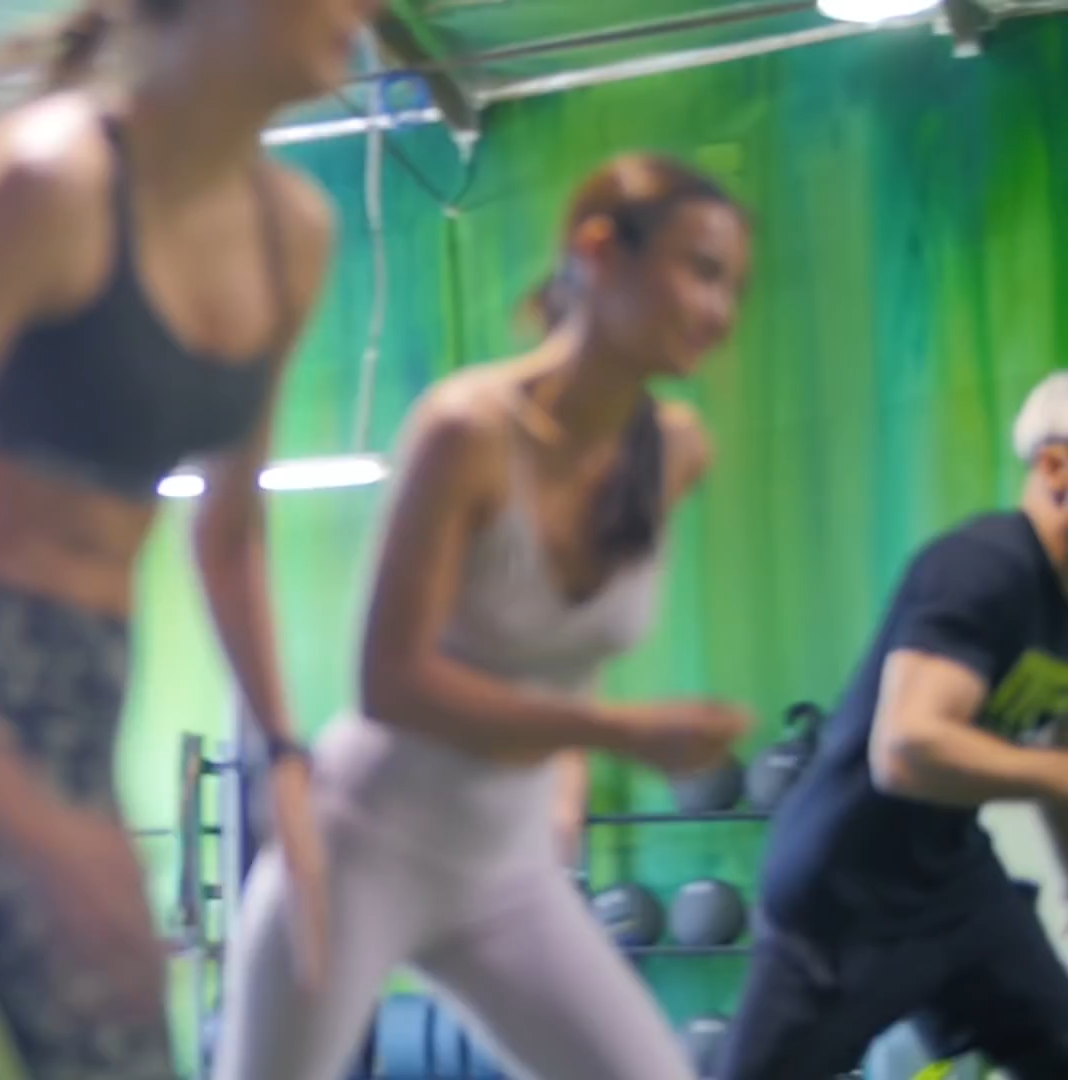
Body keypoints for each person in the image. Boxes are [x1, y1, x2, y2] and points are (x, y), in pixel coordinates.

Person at [0, 0, 380, 1075]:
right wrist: (28, 822)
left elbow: (230, 533)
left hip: (85, 695)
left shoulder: (292, 236)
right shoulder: (51, 185)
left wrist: (286, 762)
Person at [212, 154, 756, 1080]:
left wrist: (566, 782)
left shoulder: (675, 452)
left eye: (733, 286)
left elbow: (565, 652)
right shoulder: (466, 430)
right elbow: (390, 683)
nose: (720, 310)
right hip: (362, 847)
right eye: (701, 271)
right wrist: (617, 733)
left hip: (506, 869)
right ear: (599, 252)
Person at [713, 371, 1068, 1079]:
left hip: (953, 884)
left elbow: (1054, 758)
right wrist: (1058, 773)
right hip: (843, 896)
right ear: (1056, 468)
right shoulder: (982, 564)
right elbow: (906, 747)